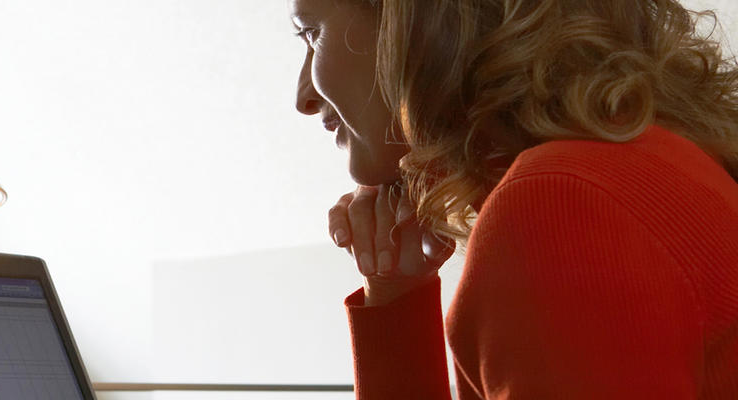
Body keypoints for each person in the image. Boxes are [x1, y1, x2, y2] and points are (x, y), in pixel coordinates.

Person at [291, 0, 738, 398]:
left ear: (411, 19)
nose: (303, 98)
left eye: (312, 33)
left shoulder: (562, 206)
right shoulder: (635, 171)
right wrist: (395, 300)